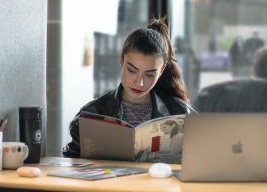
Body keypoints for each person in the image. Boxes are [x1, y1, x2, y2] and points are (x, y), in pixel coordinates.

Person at [62, 17, 194, 158]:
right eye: (132, 70)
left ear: (161, 72)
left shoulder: (179, 112)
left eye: (149, 74)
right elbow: (73, 164)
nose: (139, 82)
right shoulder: (92, 113)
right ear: (121, 61)